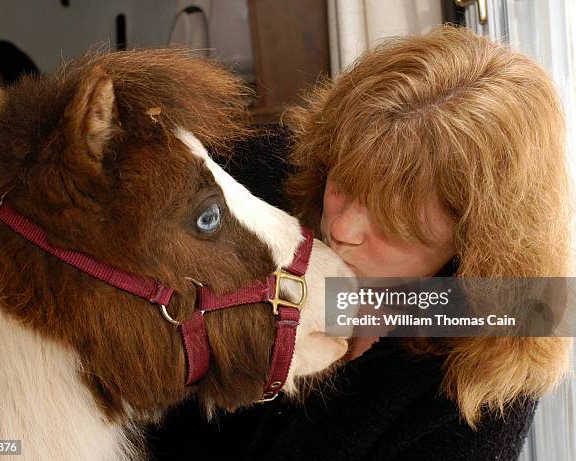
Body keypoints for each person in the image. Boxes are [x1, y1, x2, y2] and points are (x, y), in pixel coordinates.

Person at [146, 26, 572, 461]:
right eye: (344, 184)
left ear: (475, 246)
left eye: (392, 223)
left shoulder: (485, 374)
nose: (343, 228)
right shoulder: (257, 182)